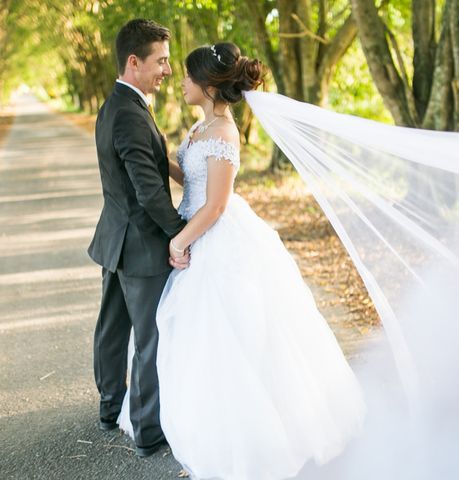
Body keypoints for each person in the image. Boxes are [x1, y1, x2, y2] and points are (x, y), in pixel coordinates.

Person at [117, 42, 367, 479]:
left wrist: (179, 243)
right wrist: (159, 158)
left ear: (209, 85)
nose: (180, 81)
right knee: (190, 332)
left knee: (232, 334)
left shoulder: (225, 133)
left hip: (216, 237)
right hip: (196, 225)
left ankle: (250, 432)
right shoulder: (201, 126)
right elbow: (189, 175)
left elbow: (215, 205)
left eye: (188, 76)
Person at [87, 18, 189, 458]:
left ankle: (111, 406)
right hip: (141, 245)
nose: (166, 69)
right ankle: (147, 429)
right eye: (161, 61)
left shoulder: (115, 104)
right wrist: (181, 234)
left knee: (112, 329)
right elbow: (147, 189)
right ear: (134, 62)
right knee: (149, 338)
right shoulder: (129, 114)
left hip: (116, 238)